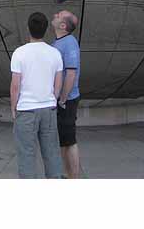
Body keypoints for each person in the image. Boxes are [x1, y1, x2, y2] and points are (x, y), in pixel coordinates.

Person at [10, 12, 65, 179]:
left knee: (26, 155)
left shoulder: (19, 53)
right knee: (52, 153)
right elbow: (58, 83)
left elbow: (15, 85)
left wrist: (13, 107)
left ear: (28, 28)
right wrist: (52, 100)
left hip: (26, 110)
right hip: (48, 109)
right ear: (46, 29)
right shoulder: (54, 53)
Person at [51, 10, 83, 179]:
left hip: (67, 100)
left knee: (69, 140)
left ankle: (74, 178)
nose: (55, 15)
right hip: (61, 100)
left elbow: (71, 73)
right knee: (63, 140)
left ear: (63, 25)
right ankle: (67, 174)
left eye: (59, 15)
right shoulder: (58, 42)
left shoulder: (69, 43)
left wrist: (62, 98)